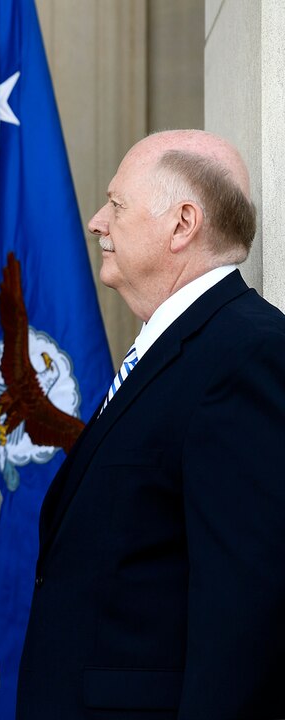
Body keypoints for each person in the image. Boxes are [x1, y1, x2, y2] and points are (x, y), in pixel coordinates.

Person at [16, 130, 285, 719]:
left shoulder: (247, 354)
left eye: (116, 204)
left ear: (182, 223)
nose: (96, 222)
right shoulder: (178, 351)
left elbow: (244, 605)